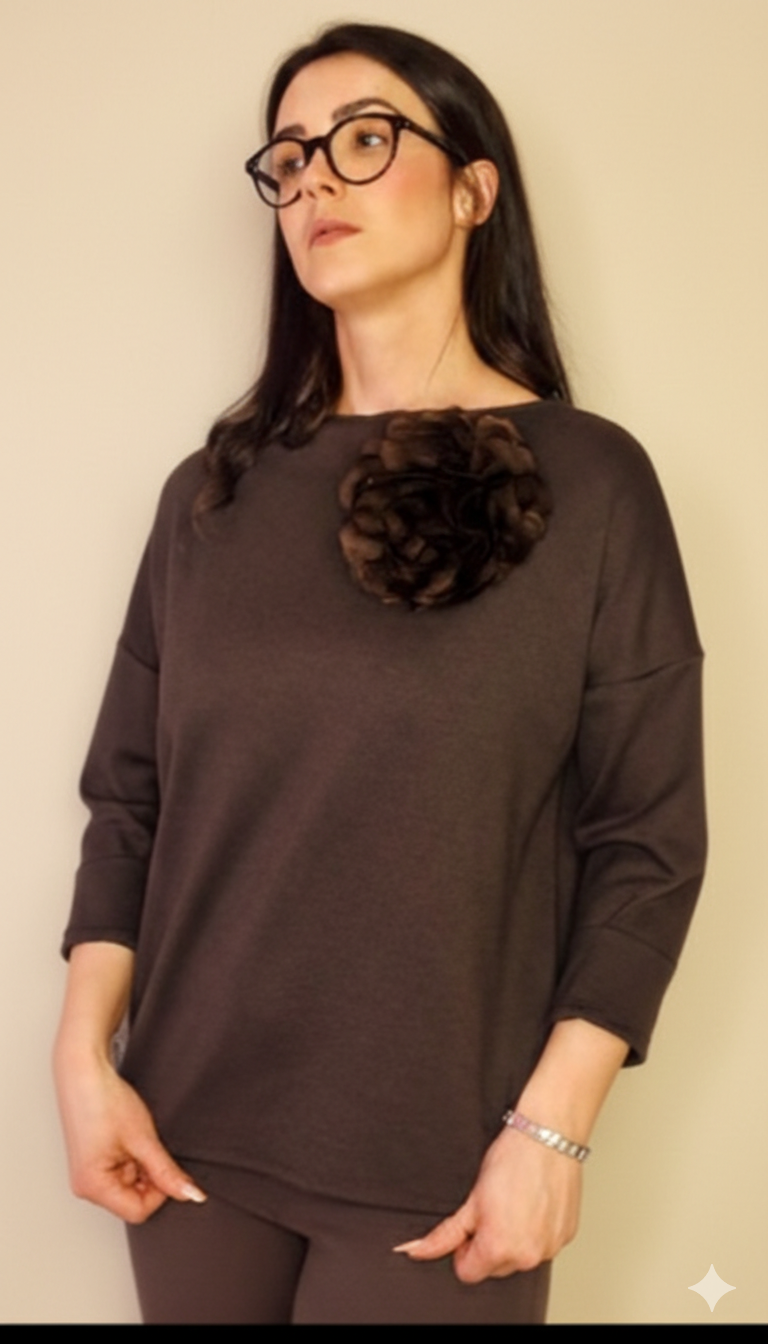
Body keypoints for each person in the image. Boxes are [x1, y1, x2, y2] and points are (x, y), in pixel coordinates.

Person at [53, 21, 706, 1325]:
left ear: (474, 190)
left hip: (449, 1159)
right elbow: (129, 802)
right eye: (290, 159)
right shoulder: (208, 497)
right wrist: (82, 1059)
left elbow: (647, 842)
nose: (315, 182)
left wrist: (555, 1134)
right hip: (187, 1139)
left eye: (364, 140)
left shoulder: (598, 484)